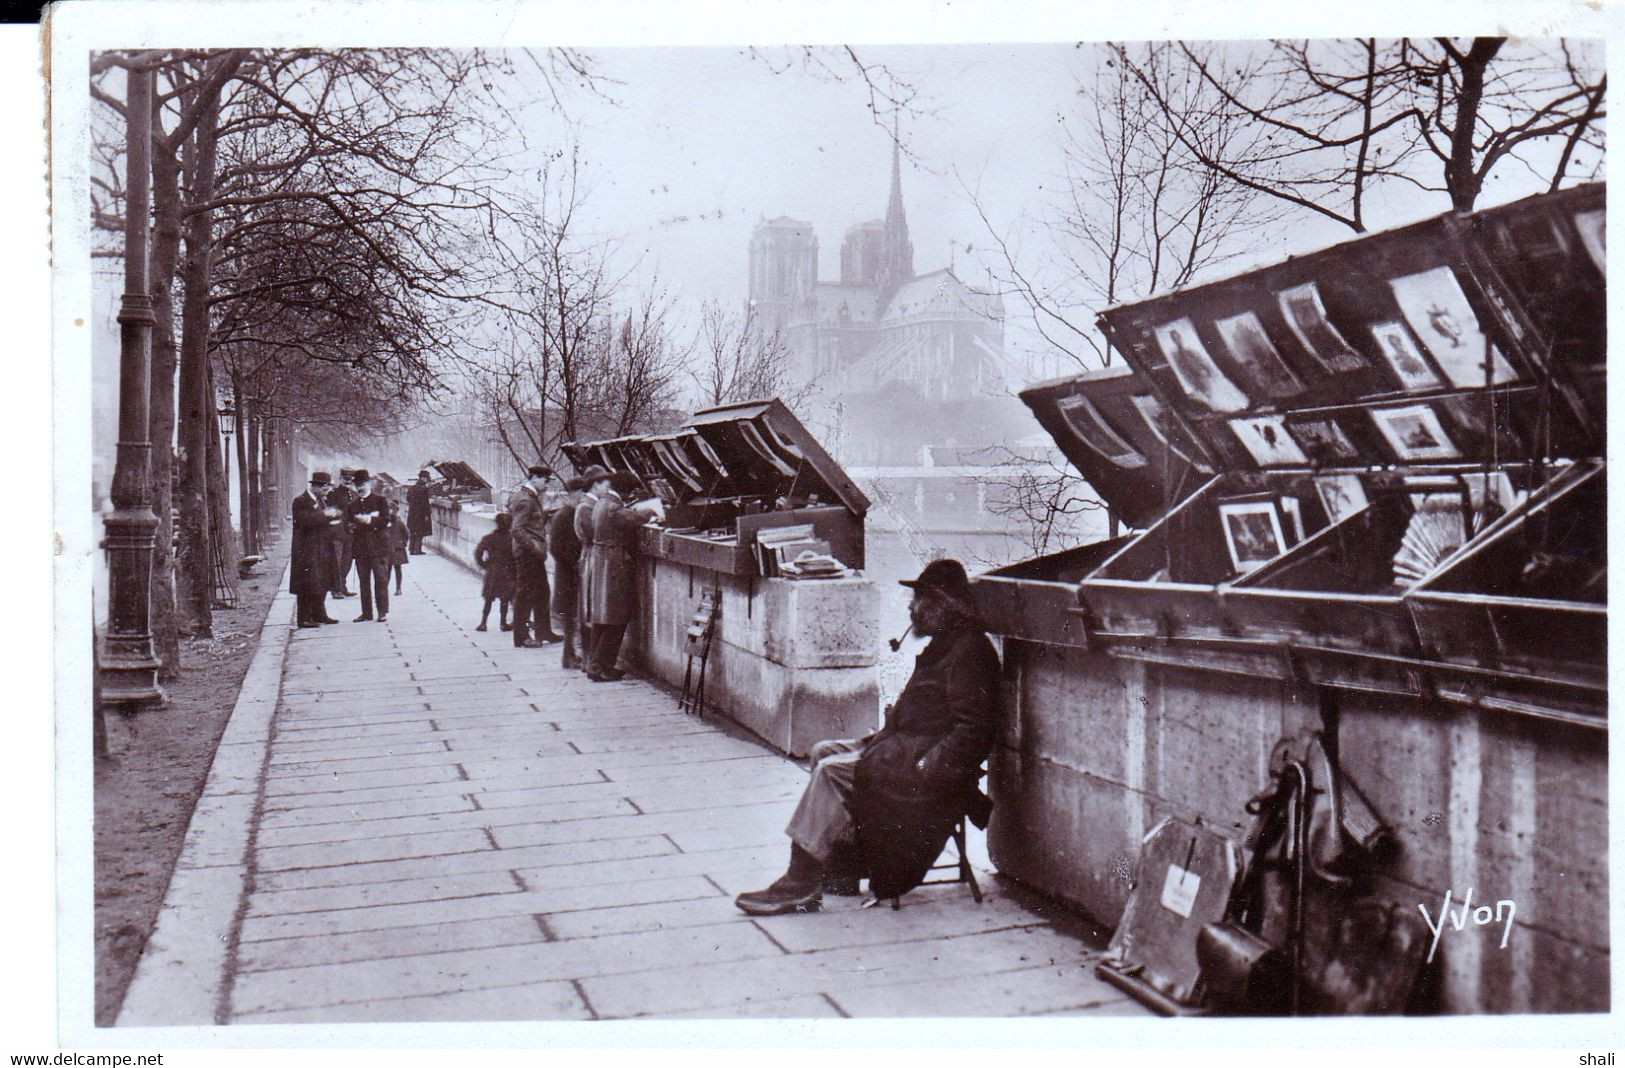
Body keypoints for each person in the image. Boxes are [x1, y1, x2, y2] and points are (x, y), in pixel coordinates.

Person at [734, 558, 1001, 916]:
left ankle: (800, 882)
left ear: (942, 605)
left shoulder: (970, 652)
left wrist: (927, 765)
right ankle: (840, 868)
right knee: (823, 751)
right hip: (904, 748)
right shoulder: (947, 645)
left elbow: (975, 729)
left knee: (832, 771)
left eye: (919, 599)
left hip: (923, 767)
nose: (911, 606)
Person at [586, 470, 660, 682]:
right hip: (614, 565)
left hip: (603, 562)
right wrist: (651, 509)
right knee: (616, 617)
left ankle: (598, 665)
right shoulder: (612, 507)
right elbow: (634, 518)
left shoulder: (601, 503)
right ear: (626, 491)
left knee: (603, 618)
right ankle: (600, 667)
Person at [508, 463, 561, 648]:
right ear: (535, 478)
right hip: (528, 554)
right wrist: (535, 548)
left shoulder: (528, 496)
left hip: (530, 553)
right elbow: (517, 529)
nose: (546, 485)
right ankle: (521, 637)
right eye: (545, 481)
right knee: (525, 594)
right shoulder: (527, 500)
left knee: (542, 592)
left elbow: (528, 524)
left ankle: (543, 631)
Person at [290, 471, 343, 628]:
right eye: (325, 490)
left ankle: (319, 614)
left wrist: (334, 517)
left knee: (322, 580)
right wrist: (325, 514)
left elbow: (322, 520)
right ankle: (304, 617)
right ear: (316, 487)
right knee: (307, 583)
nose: (326, 493)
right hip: (307, 549)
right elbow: (304, 520)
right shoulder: (300, 501)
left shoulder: (321, 501)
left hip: (322, 547)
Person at [573, 466, 610, 673]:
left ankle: (590, 660)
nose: (607, 488)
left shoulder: (587, 505)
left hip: (590, 559)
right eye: (605, 484)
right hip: (592, 559)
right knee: (591, 610)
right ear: (595, 485)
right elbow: (597, 533)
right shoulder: (588, 507)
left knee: (590, 609)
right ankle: (590, 661)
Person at [548, 476, 587, 669]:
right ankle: (568, 656)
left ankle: (569, 655)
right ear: (575, 493)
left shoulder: (566, 513)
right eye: (582, 492)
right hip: (568, 573)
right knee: (570, 617)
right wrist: (574, 564)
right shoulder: (565, 515)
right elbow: (555, 548)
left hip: (569, 572)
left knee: (571, 617)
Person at [346, 468, 393, 622]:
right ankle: (366, 613)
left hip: (378, 548)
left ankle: (382, 612)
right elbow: (348, 523)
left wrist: (368, 520)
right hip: (361, 549)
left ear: (369, 483)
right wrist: (352, 525)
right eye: (357, 485)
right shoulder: (352, 505)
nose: (359, 488)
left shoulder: (380, 501)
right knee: (363, 582)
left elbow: (386, 520)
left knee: (380, 580)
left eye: (362, 484)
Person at [474, 511, 516, 633]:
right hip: (507, 571)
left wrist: (485, 565)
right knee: (505, 598)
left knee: (488, 598)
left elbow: (478, 553)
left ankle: (483, 622)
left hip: (492, 571)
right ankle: (503, 622)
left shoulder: (489, 538)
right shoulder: (512, 539)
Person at [326, 467, 357, 598]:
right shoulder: (333, 494)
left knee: (347, 561)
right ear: (340, 478)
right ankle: (335, 589)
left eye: (350, 479)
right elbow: (331, 512)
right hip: (337, 532)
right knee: (336, 561)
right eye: (345, 479)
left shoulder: (354, 494)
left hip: (350, 533)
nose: (347, 481)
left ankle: (343, 586)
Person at [406, 470, 433, 555]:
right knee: (420, 532)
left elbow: (408, 499)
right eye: (426, 478)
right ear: (423, 478)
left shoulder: (411, 488)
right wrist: (427, 514)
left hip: (412, 513)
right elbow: (425, 503)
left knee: (412, 531)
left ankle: (411, 549)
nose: (427, 480)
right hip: (421, 514)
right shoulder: (424, 489)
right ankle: (417, 550)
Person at [386, 499, 409, 596]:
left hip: (397, 548)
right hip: (387, 549)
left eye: (393, 510)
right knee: (387, 569)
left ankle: (398, 588)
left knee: (397, 568)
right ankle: (385, 588)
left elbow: (406, 534)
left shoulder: (399, 523)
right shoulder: (385, 522)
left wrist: (403, 543)